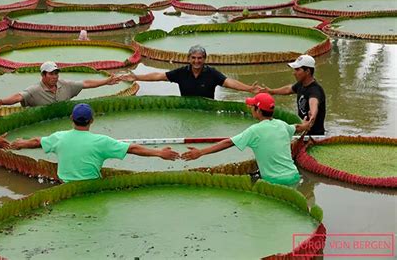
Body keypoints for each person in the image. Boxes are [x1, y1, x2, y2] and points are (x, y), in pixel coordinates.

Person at [11, 103, 180, 183]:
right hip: (91, 186)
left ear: (72, 119)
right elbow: (133, 148)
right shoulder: (102, 142)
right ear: (92, 120)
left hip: (63, 185)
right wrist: (159, 153)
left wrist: (21, 143)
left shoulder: (59, 137)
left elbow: (37, 141)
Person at [181, 93, 311, 186]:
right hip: (294, 177)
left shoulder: (254, 130)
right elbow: (297, 127)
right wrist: (307, 124)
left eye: (252, 106)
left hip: (274, 182)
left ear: (258, 110)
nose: (251, 109)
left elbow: (228, 142)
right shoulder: (282, 125)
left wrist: (201, 152)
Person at [120, 45, 259, 99]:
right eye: (193, 58)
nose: (196, 61)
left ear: (204, 59)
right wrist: (136, 76)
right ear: (188, 59)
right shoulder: (182, 72)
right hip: (186, 107)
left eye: (200, 58)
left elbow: (229, 82)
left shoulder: (212, 73)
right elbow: (159, 76)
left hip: (207, 108)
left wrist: (249, 89)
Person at [0, 61, 121, 108]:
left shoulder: (64, 85)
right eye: (51, 74)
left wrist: (106, 81)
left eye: (56, 73)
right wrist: (2, 101)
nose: (54, 77)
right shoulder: (34, 90)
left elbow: (85, 83)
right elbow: (18, 97)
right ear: (43, 75)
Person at [260, 55, 326, 135]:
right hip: (301, 131)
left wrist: (312, 116)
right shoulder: (301, 84)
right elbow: (288, 89)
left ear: (308, 71)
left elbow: (313, 103)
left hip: (313, 135)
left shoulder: (315, 90)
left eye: (297, 70)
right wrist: (271, 91)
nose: (294, 73)